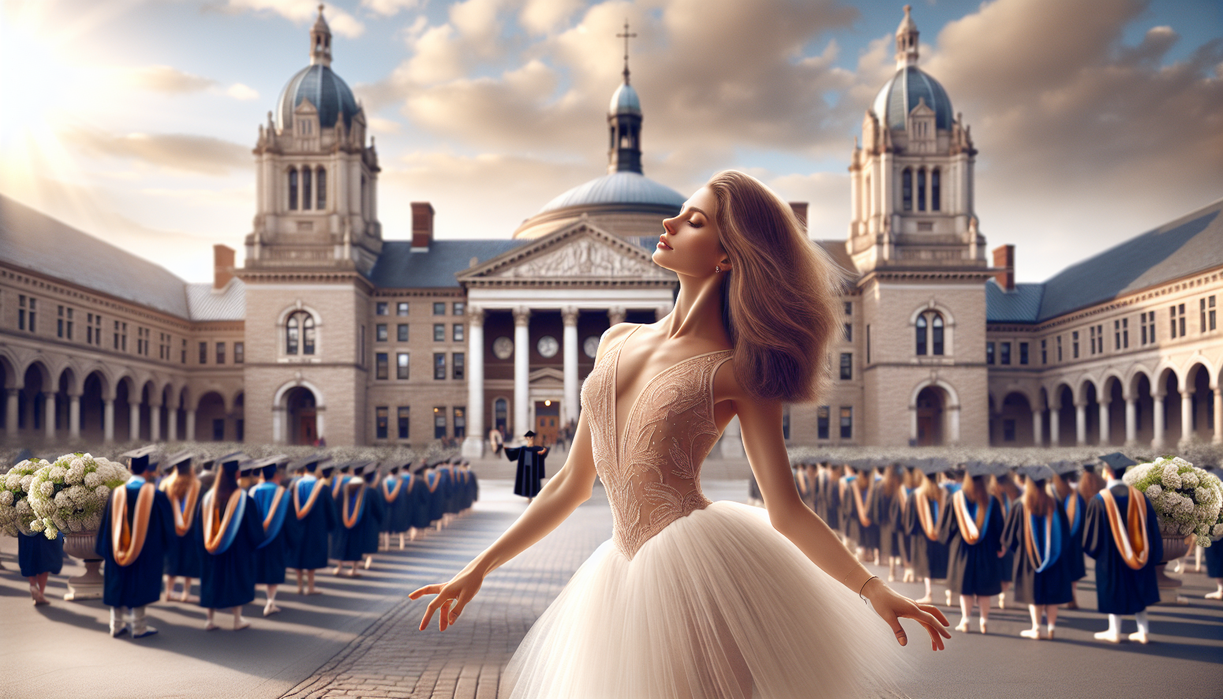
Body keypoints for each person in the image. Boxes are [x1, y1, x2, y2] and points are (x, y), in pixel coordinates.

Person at [409, 171, 948, 698]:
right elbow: (571, 484)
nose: (668, 222)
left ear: (728, 255)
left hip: (696, 572)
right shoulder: (617, 338)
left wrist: (870, 586)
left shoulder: (739, 370)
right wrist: (478, 568)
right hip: (617, 573)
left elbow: (786, 511)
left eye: (693, 221)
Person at [1083, 452, 1162, 644]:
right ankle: (1143, 631)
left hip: (1110, 558)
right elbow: (1153, 529)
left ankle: (1115, 631)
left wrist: (1098, 553)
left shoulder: (1100, 500)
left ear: (1107, 472)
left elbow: (1092, 538)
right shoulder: (1140, 497)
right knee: (1138, 588)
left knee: (1113, 590)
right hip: (1139, 553)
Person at [96, 446, 175, 638]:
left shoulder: (116, 494)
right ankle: (139, 627)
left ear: (129, 468)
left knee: (118, 582)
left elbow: (106, 526)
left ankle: (116, 625)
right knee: (141, 583)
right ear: (147, 469)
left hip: (117, 549)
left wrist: (106, 548)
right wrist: (167, 547)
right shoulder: (155, 495)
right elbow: (167, 527)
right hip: (146, 552)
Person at [1003, 465, 1074, 640]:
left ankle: (1036, 628)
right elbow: (1066, 533)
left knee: (1035, 593)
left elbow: (1010, 536)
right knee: (1052, 594)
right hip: (1054, 558)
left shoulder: (1020, 505)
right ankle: (1051, 628)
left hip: (1029, 558)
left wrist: (1016, 551)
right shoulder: (1055, 504)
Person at [197, 453, 265, 631]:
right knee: (236, 581)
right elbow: (254, 530)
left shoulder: (207, 499)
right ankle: (237, 619)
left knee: (212, 580)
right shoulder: (243, 499)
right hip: (237, 551)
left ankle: (209, 620)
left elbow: (199, 528)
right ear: (237, 475)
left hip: (210, 551)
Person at [939, 461, 1004, 633]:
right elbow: (999, 527)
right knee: (983, 589)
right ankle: (984, 621)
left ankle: (966, 620)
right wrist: (999, 546)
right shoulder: (992, 501)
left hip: (962, 549)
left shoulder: (956, 498)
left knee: (965, 587)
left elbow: (949, 527)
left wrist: (946, 540)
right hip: (986, 549)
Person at [285, 456, 335, 595]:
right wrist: (331, 525)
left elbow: (290, 508)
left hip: (297, 526)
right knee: (311, 555)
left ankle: (299, 585)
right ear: (316, 469)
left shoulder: (294, 485)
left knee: (298, 554)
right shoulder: (322, 486)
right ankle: (311, 587)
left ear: (305, 469)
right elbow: (329, 508)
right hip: (315, 528)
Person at [249, 456, 291, 616]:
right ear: (275, 475)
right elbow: (289, 519)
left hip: (256, 537)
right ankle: (270, 601)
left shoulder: (253, 491)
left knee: (256, 566)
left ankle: (249, 596)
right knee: (273, 570)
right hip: (277, 537)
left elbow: (249, 516)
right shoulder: (283, 493)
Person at [160, 451, 203, 603]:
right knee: (189, 560)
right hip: (191, 530)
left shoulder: (166, 484)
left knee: (171, 559)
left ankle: (169, 591)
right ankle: (185, 592)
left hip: (171, 529)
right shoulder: (196, 485)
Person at [906, 459, 950, 605]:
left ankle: (929, 593)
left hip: (924, 537)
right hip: (943, 533)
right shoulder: (944, 492)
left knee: (927, 563)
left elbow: (912, 520)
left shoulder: (918, 494)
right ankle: (949, 593)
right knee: (945, 560)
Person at [1048, 460, 1087, 609]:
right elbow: (1084, 519)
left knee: (1054, 570)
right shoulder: (1077, 497)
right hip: (1074, 541)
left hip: (1054, 540)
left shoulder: (1051, 495)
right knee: (1072, 571)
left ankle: (1054, 598)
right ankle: (1072, 597)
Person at [506, 431, 549, 503]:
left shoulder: (536, 448)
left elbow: (543, 452)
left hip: (534, 469)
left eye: (531, 438)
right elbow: (515, 453)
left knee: (533, 482)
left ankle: (532, 495)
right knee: (527, 482)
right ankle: (529, 496)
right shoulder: (523, 448)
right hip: (526, 468)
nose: (529, 439)